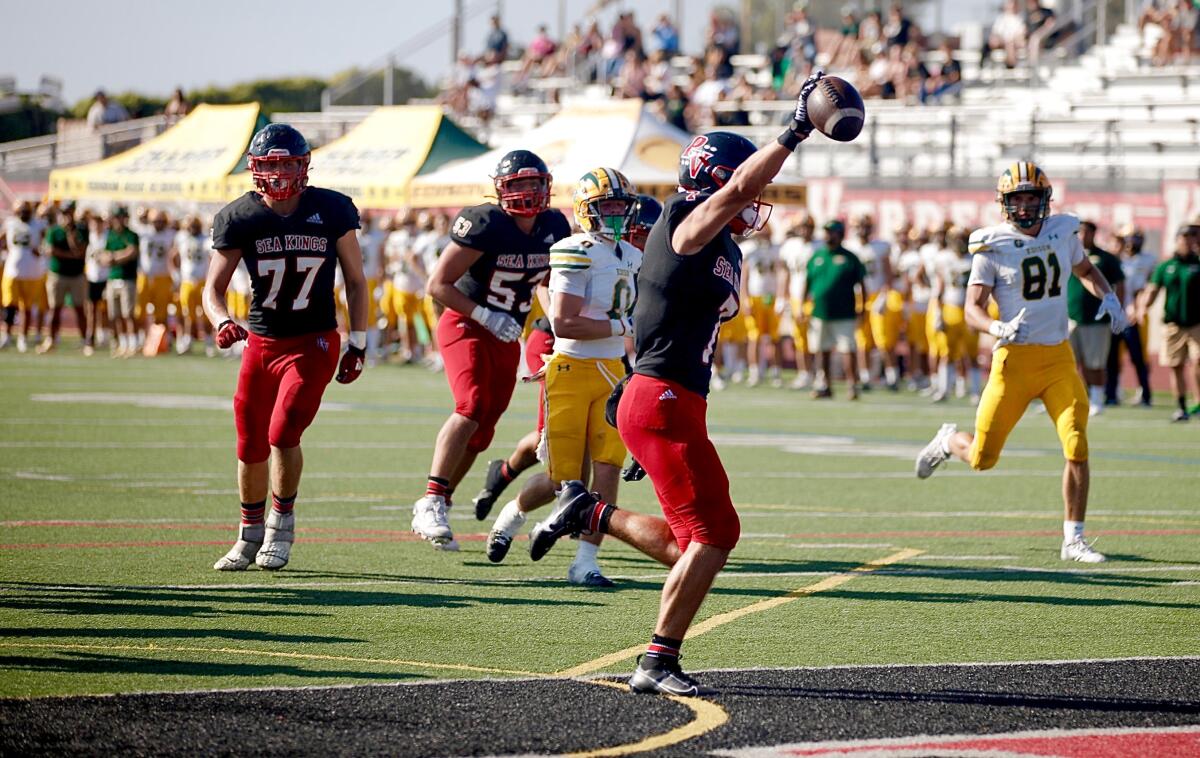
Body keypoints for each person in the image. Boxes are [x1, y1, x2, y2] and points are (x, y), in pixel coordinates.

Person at [522, 72, 829, 696]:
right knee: (719, 535)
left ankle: (590, 510)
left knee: (686, 545)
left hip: (666, 394)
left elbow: (656, 317)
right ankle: (657, 660)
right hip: (662, 398)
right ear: (720, 183)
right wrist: (796, 129)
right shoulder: (684, 218)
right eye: (742, 191)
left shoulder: (725, 248)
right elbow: (742, 186)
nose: (754, 205)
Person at [916, 162, 1128, 563]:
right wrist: (996, 329)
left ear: (1046, 200)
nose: (1027, 206)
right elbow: (972, 308)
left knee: (1077, 445)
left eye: (1033, 197)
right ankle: (948, 441)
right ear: (1005, 204)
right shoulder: (990, 246)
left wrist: (1109, 296)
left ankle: (1074, 539)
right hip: (1012, 362)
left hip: (1057, 359)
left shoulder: (1063, 231)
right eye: (1019, 198)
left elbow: (1085, 269)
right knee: (982, 458)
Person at [205, 123, 368, 571]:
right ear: (256, 168)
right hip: (262, 340)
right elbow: (211, 290)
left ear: (304, 165)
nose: (279, 174)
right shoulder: (240, 216)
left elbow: (355, 280)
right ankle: (248, 534)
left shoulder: (332, 209)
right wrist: (222, 320)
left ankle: (282, 524)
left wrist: (359, 341)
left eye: (288, 163)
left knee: (282, 432)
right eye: (270, 164)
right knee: (249, 443)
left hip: (314, 339)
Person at [484, 168, 642, 587]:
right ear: (586, 211)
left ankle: (585, 562)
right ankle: (511, 516)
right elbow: (566, 323)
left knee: (607, 470)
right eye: (606, 207)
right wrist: (624, 328)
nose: (615, 215)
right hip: (571, 369)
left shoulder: (632, 254)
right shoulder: (573, 249)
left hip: (612, 372)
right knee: (562, 478)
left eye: (619, 207)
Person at [410, 150, 570, 549]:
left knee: (482, 431)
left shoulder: (554, 225)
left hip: (506, 332)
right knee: (471, 403)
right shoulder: (485, 223)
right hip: (466, 321)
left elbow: (547, 282)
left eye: (534, 183)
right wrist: (484, 314)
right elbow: (438, 285)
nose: (528, 192)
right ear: (501, 190)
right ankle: (429, 500)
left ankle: (442, 501)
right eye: (518, 185)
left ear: (547, 186)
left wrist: (557, 323)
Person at [1137, 225, 1200, 421]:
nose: (1188, 242)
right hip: (1173, 325)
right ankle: (1181, 406)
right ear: (1177, 240)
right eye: (1184, 238)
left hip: (1197, 324)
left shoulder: (1198, 264)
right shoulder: (1166, 266)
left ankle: (1198, 401)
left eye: (1192, 238)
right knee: (1176, 366)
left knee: (1198, 362)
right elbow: (1153, 290)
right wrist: (1142, 308)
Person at [802, 219, 867, 399]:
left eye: (832, 232)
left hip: (844, 311)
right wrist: (802, 304)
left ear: (841, 234)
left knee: (848, 349)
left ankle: (852, 385)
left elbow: (862, 284)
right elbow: (807, 282)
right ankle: (825, 384)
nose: (828, 235)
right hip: (820, 312)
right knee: (821, 350)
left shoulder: (850, 257)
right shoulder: (817, 256)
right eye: (827, 232)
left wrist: (863, 306)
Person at [1068, 221, 1125, 417]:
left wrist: (1118, 307)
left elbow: (1119, 283)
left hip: (1096, 319)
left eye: (1086, 232)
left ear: (1094, 234)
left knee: (1095, 363)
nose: (1082, 236)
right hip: (1069, 317)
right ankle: (1072, 398)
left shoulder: (1106, 258)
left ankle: (1097, 399)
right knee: (1067, 363)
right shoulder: (1067, 254)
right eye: (1079, 232)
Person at [1105, 225, 1156, 406]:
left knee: (1139, 357)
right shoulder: (1114, 259)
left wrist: (1139, 305)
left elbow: (1147, 285)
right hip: (1114, 315)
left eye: (1136, 238)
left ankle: (1145, 394)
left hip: (1133, 315)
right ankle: (1112, 393)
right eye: (1128, 238)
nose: (1132, 242)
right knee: (1112, 358)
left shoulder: (1148, 259)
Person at [39, 204, 89, 353]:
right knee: (55, 309)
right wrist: (69, 255)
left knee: (80, 309)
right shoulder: (54, 231)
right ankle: (51, 340)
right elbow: (50, 251)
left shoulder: (80, 229)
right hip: (58, 274)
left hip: (76, 275)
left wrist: (70, 234)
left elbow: (80, 251)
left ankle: (85, 341)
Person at [779, 213, 817, 389]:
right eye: (802, 227)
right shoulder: (790, 246)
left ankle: (819, 372)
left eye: (808, 227)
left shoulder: (820, 246)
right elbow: (785, 272)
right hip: (796, 297)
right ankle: (805, 373)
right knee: (800, 338)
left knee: (817, 337)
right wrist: (782, 296)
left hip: (815, 298)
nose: (805, 231)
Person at [0, 202, 43, 353]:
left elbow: (46, 241)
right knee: (9, 306)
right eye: (20, 211)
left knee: (27, 308)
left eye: (25, 211)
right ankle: (6, 335)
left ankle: (22, 338)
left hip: (31, 272)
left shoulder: (38, 224)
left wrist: (41, 250)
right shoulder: (10, 223)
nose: (23, 213)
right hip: (12, 271)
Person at [100, 207, 139, 358]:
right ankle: (122, 343)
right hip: (112, 278)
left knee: (128, 314)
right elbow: (104, 255)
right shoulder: (110, 235)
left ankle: (133, 343)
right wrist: (112, 257)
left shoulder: (131, 235)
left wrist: (114, 257)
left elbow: (131, 252)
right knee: (114, 315)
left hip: (127, 278)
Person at [175, 214, 212, 355]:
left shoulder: (206, 240)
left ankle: (208, 341)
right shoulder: (182, 238)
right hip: (187, 281)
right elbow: (173, 256)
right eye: (190, 226)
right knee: (187, 314)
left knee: (206, 313)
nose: (192, 228)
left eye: (194, 226)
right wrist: (176, 274)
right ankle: (187, 340)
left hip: (202, 281)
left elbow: (211, 259)